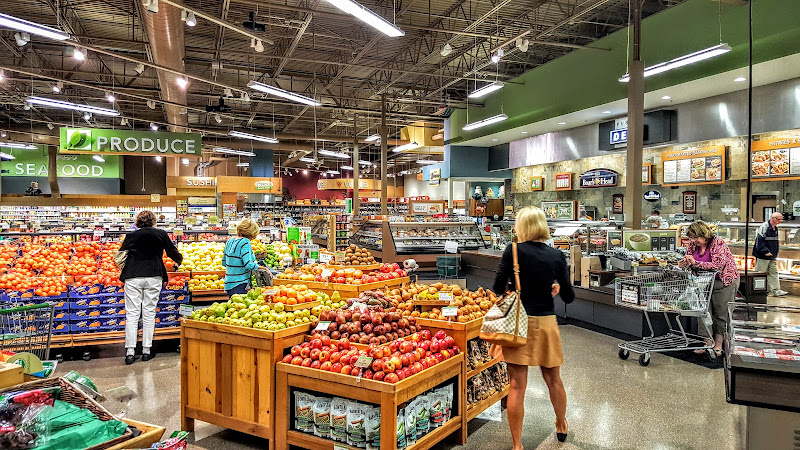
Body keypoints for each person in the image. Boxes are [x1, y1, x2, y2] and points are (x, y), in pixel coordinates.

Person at [492, 206, 575, 448]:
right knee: (554, 379)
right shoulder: (557, 255)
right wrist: (555, 288)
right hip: (546, 323)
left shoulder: (513, 251)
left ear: (521, 227)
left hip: (518, 322)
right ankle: (561, 424)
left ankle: (517, 444)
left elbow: (497, 287)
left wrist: (515, 287)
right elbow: (569, 297)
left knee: (517, 385)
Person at [119, 210, 182, 365]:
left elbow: (121, 254)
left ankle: (130, 352)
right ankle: (147, 350)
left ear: (137, 222)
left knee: (132, 314)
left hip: (133, 275)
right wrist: (178, 262)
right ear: (154, 221)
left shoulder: (131, 235)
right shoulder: (160, 234)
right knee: (149, 313)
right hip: (154, 275)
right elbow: (172, 252)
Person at [679, 221, 739, 355]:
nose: (693, 241)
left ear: (704, 234)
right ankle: (707, 343)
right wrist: (684, 263)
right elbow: (690, 261)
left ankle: (718, 345)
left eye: (695, 237)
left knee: (721, 313)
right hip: (703, 283)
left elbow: (718, 265)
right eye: (691, 238)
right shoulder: (693, 245)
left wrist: (696, 263)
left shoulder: (718, 243)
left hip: (724, 282)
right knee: (703, 312)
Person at [223, 219, 260, 296]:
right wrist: (262, 268)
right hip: (240, 283)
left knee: (233, 303)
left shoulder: (230, 240)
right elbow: (248, 264)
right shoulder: (245, 242)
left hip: (228, 283)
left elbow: (224, 262)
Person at [753, 212, 787, 296]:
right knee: (761, 273)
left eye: (781, 219)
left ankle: (775, 290)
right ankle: (759, 291)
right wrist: (765, 251)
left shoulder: (775, 228)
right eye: (779, 219)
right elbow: (759, 241)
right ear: (773, 218)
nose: (781, 221)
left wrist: (774, 252)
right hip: (763, 256)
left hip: (772, 255)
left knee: (774, 272)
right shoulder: (764, 227)